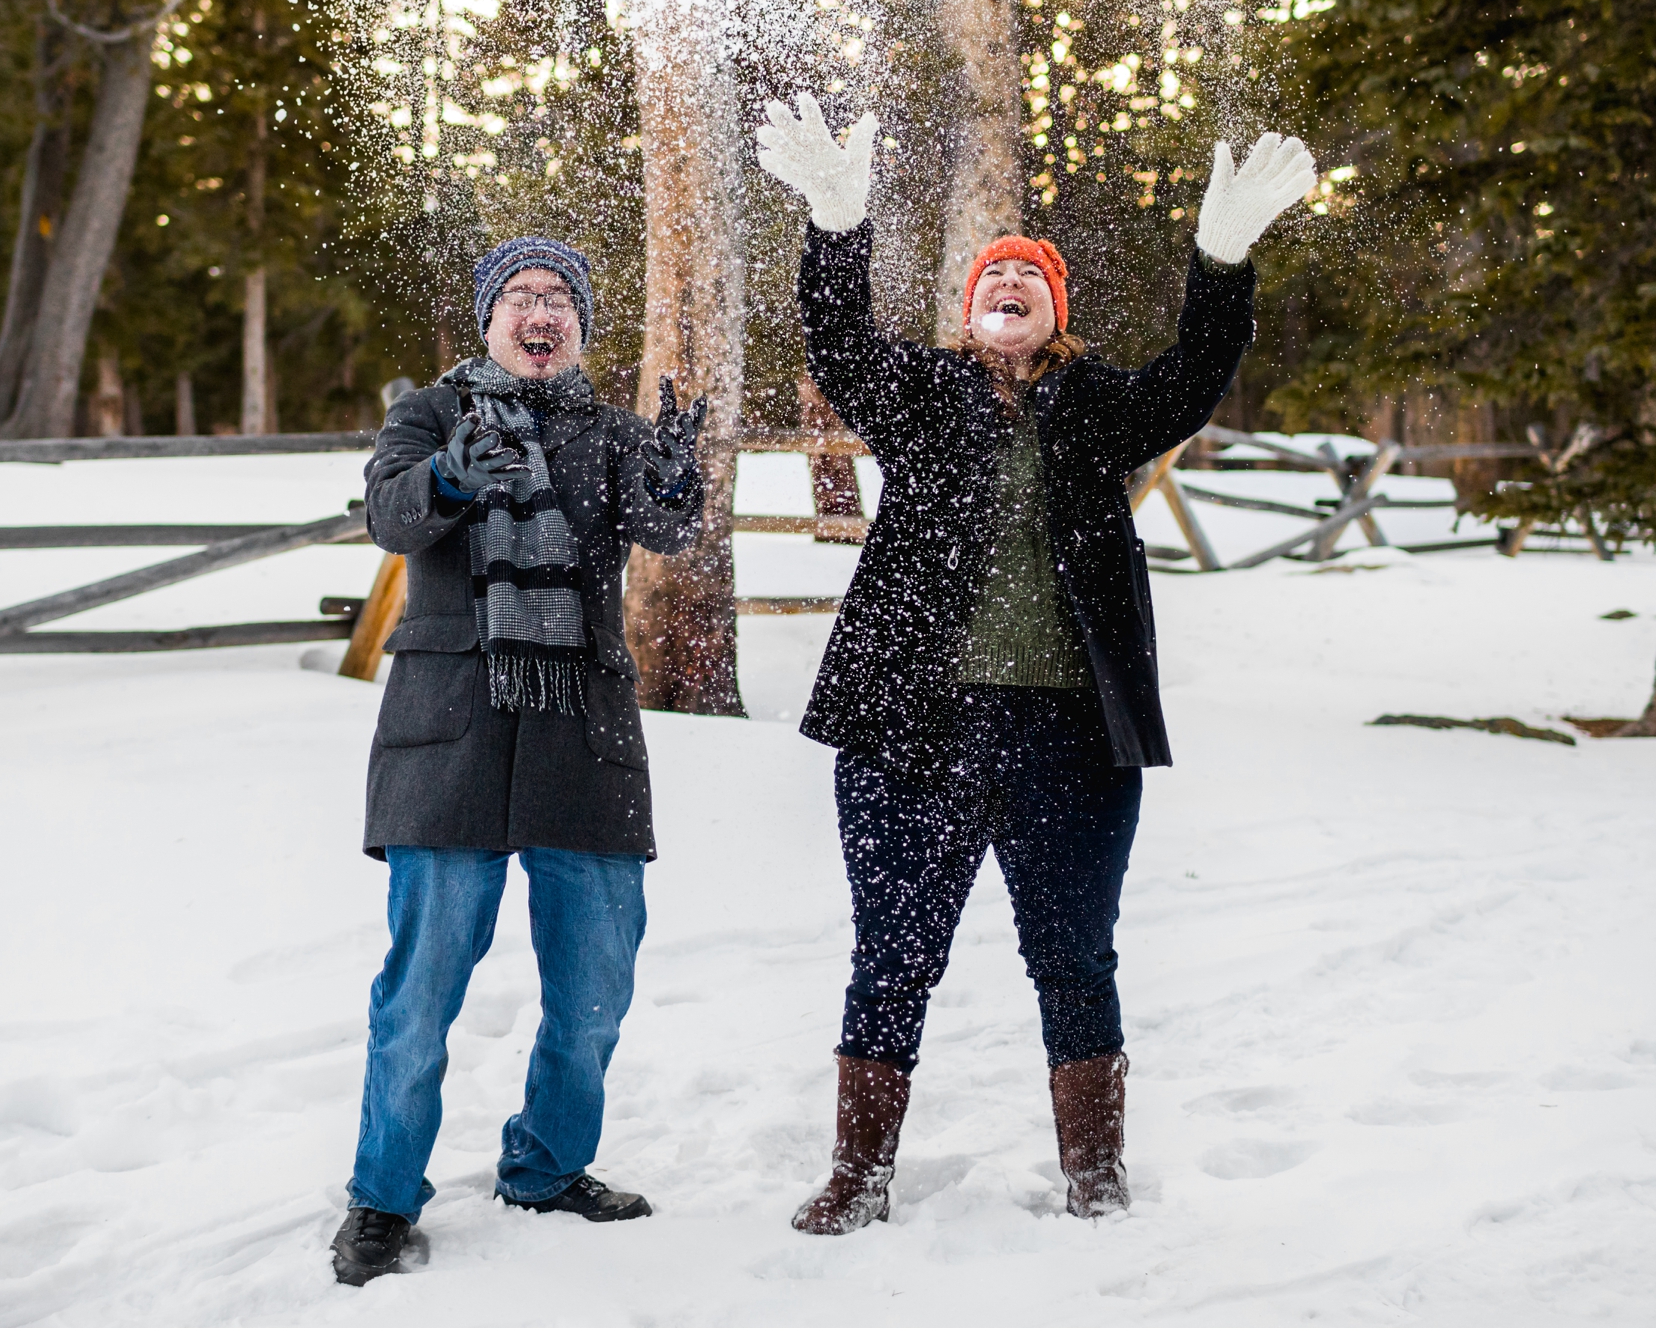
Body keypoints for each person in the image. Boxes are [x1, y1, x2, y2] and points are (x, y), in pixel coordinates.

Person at [753, 93, 1316, 1232]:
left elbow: (1196, 371)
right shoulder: (919, 394)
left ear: (1053, 312)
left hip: (1067, 732)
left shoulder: (1098, 406)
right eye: (992, 281)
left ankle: (1096, 1175)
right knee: (892, 955)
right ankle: (858, 1177)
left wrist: (1222, 259)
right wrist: (835, 224)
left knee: (1074, 955)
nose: (1009, 288)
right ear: (971, 312)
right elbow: (837, 344)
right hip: (914, 730)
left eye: (1032, 282)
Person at [329, 236, 707, 1285]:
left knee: (594, 986)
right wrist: (449, 475)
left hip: (581, 734)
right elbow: (390, 514)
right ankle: (381, 1196)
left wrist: (678, 476)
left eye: (561, 301)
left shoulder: (612, 430)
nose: (541, 315)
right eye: (522, 297)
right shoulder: (429, 414)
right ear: (490, 314)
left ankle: (545, 1164)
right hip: (449, 735)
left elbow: (664, 527)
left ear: (581, 324)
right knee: (421, 989)